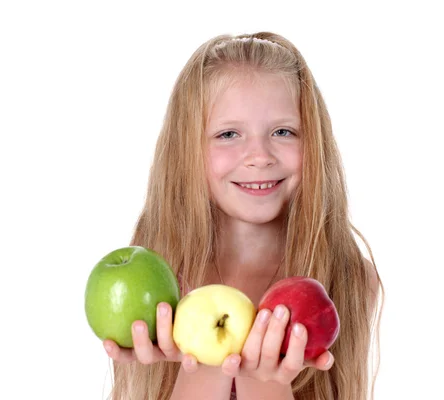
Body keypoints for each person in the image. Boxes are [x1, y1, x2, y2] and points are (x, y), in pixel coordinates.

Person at [101, 31, 384, 400]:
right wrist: (202, 366)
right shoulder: (157, 274)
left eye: (283, 131)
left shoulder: (347, 274)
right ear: (187, 149)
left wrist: (265, 380)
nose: (259, 156)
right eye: (229, 134)